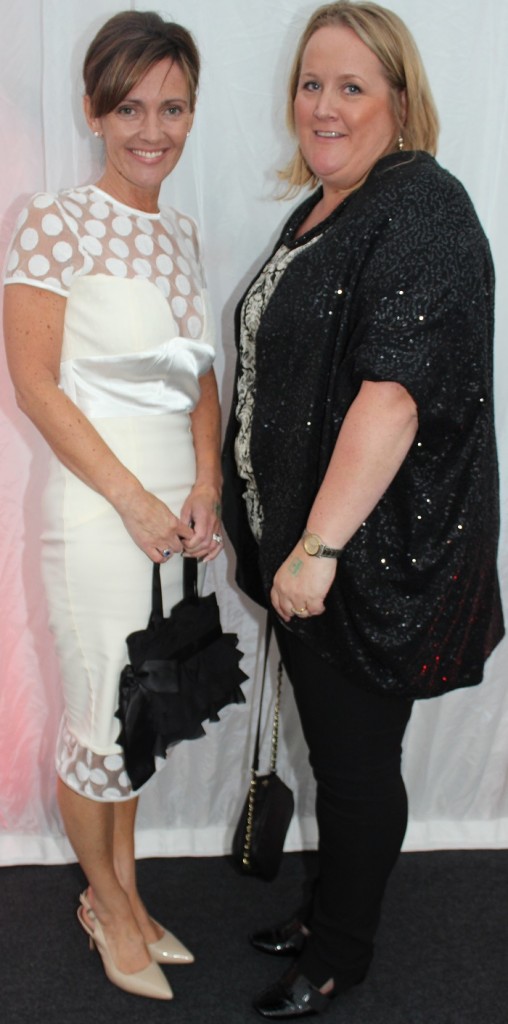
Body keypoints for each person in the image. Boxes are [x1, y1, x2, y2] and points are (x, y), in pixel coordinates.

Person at [222, 1, 504, 1018]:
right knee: (335, 751)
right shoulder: (327, 207)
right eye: (310, 83)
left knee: (349, 763)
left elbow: (391, 395)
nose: (324, 105)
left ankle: (340, 951)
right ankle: (327, 903)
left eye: (351, 86)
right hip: (311, 551)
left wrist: (319, 546)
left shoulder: (420, 206)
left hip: (366, 556)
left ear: (398, 99)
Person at [3, 11, 224, 1002]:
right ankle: (109, 905)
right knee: (99, 718)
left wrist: (206, 485)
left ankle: (122, 894)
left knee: (141, 718)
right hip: (100, 519)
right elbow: (37, 385)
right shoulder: (50, 219)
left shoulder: (180, 230)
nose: (153, 127)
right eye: (130, 105)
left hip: (173, 522)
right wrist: (136, 501)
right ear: (94, 110)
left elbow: (199, 384)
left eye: (172, 106)